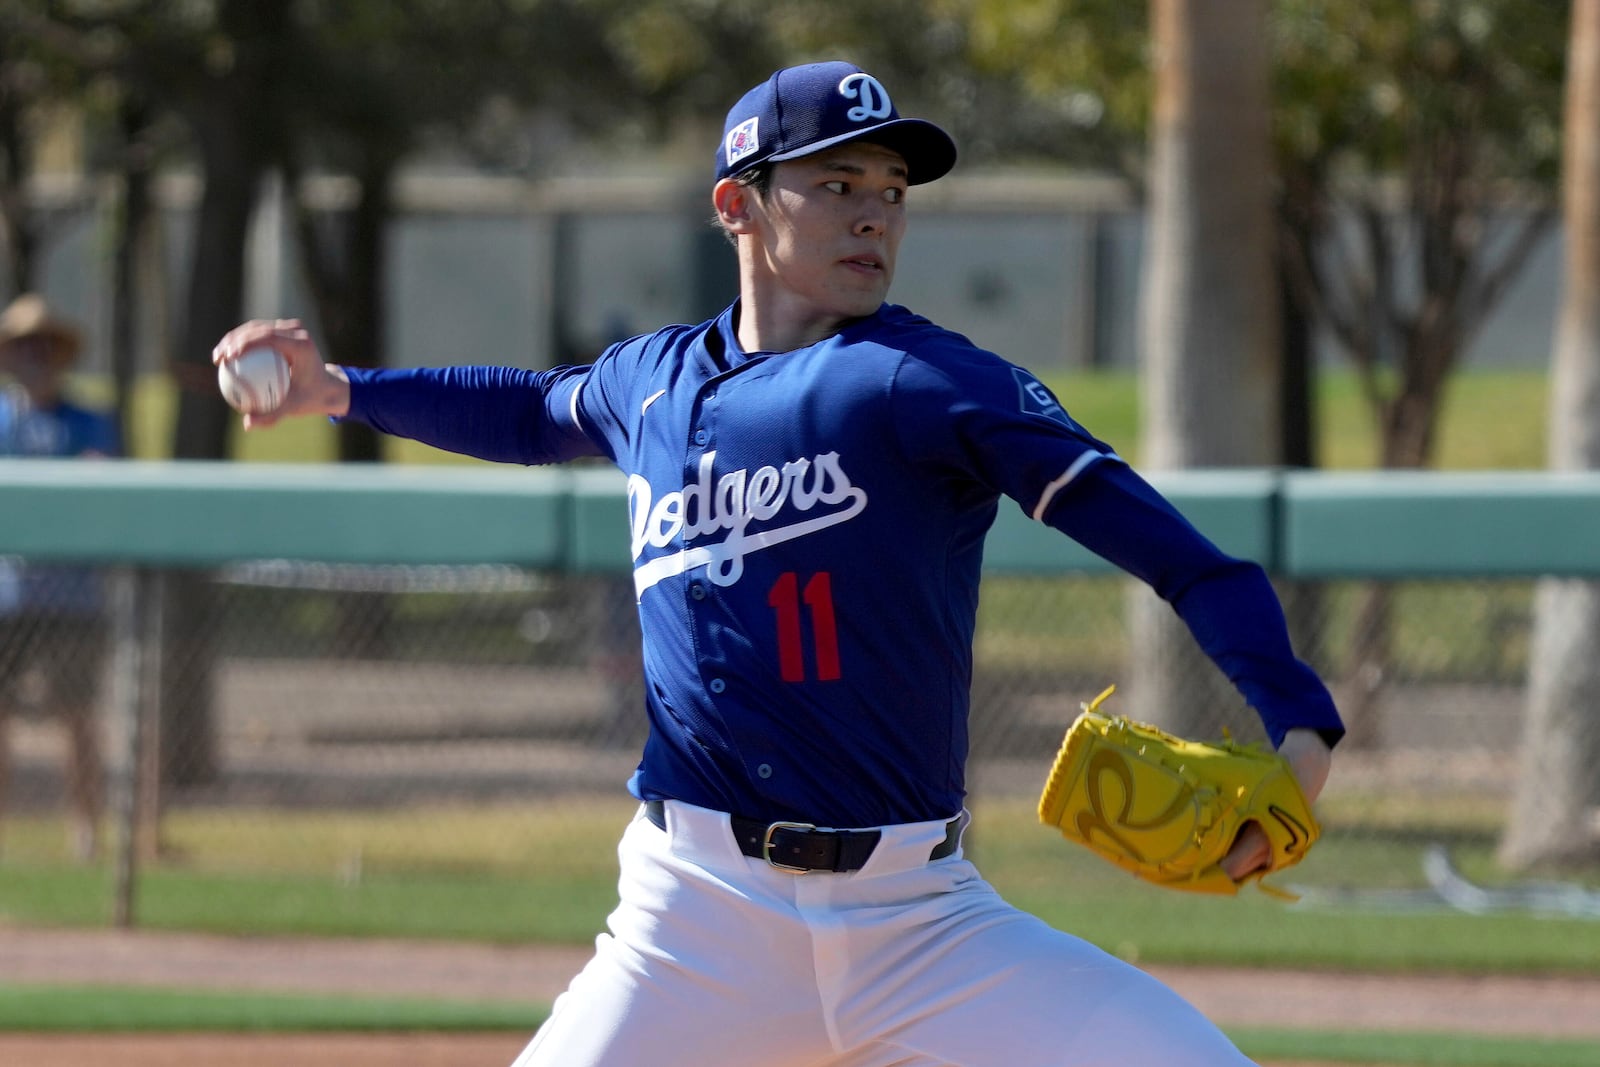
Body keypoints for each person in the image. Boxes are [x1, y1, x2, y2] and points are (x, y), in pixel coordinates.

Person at [216, 61, 1342, 1067]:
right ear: (736, 205)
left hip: (921, 919)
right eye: (835, 184)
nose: (873, 217)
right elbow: (524, 411)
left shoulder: (926, 381)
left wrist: (1299, 730)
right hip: (694, 915)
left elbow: (1186, 558)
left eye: (890, 191)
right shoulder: (646, 383)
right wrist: (341, 391)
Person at [0, 293, 120, 862]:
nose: (35, 355)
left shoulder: (90, 422)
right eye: (24, 344)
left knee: (76, 717)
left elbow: (105, 497)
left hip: (73, 600)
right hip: (6, 598)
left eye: (45, 344)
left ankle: (85, 831)